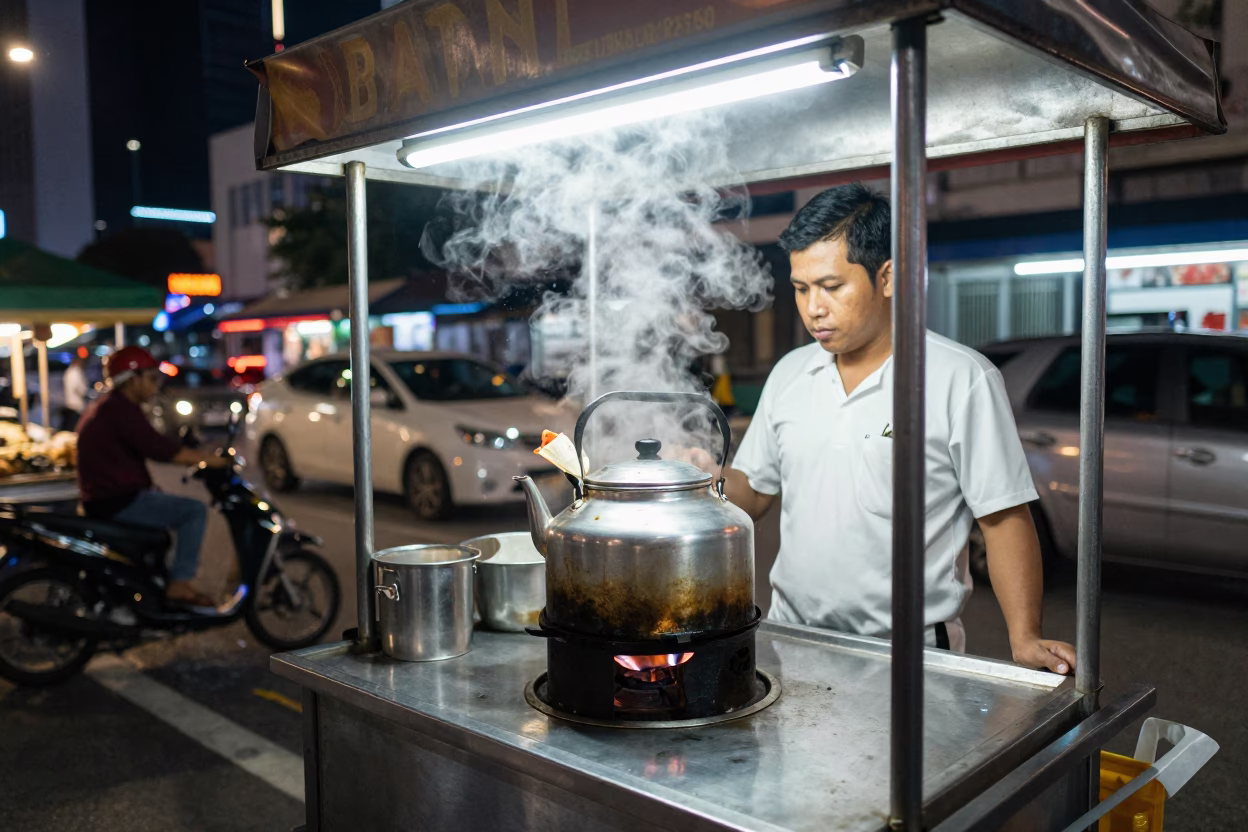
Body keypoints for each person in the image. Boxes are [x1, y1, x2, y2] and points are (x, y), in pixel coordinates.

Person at [721, 184, 1076, 674]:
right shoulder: (790, 374)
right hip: (791, 639)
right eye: (801, 289)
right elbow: (755, 492)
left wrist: (1026, 636)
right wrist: (704, 483)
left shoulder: (958, 379)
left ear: (886, 277)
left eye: (831, 286)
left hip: (908, 654)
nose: (813, 308)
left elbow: (1003, 517)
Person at [76, 347, 228, 607]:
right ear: (133, 379)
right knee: (194, 512)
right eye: (150, 379)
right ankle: (180, 585)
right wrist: (212, 459)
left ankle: (153, 583)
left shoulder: (110, 406)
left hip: (107, 496)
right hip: (116, 500)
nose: (154, 386)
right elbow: (159, 450)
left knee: (162, 509)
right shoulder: (120, 410)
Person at [61, 355, 88, 431]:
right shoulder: (75, 372)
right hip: (75, 408)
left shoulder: (68, 372)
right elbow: (82, 390)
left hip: (70, 407)